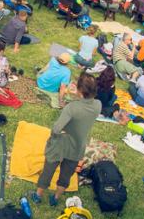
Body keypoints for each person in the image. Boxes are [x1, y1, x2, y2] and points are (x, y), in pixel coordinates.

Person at [31, 74, 101, 206]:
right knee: (66, 175)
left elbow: (56, 129)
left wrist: (57, 134)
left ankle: (38, 195)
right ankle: (55, 198)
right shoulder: (98, 105)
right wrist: (78, 95)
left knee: (48, 171)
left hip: (60, 145)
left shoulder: (72, 108)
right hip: (77, 147)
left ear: (80, 91)